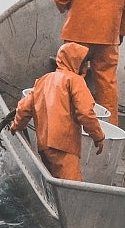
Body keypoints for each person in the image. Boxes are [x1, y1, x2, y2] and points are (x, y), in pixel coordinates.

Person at [10, 42, 105, 181]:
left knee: (52, 183)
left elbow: (24, 108)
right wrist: (98, 136)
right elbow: (85, 113)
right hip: (65, 146)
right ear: (76, 62)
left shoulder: (42, 81)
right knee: (72, 189)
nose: (86, 66)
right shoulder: (75, 80)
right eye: (84, 62)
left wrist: (15, 126)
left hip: (44, 147)